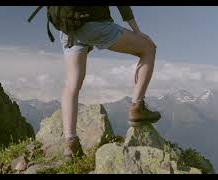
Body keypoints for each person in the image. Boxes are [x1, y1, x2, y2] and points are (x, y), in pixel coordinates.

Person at [59, 6, 161, 162]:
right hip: (94, 25)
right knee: (148, 48)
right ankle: (137, 107)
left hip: (68, 26)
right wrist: (137, 31)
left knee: (72, 83)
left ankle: (70, 143)